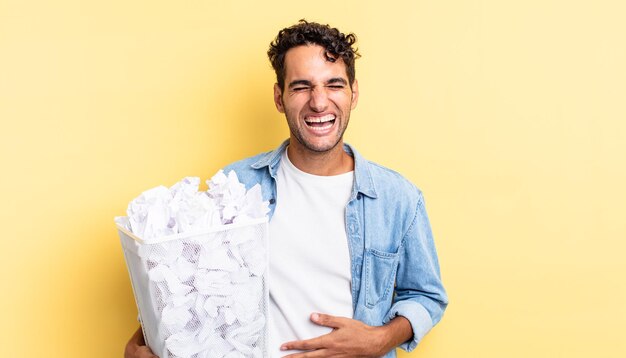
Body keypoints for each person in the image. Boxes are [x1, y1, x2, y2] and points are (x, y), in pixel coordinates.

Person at [125, 20, 447, 358]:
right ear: (280, 97)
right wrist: (147, 339)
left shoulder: (398, 198)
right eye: (302, 87)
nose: (319, 102)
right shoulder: (236, 186)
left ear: (353, 94)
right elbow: (189, 283)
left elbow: (427, 296)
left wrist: (379, 340)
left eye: (333, 85)